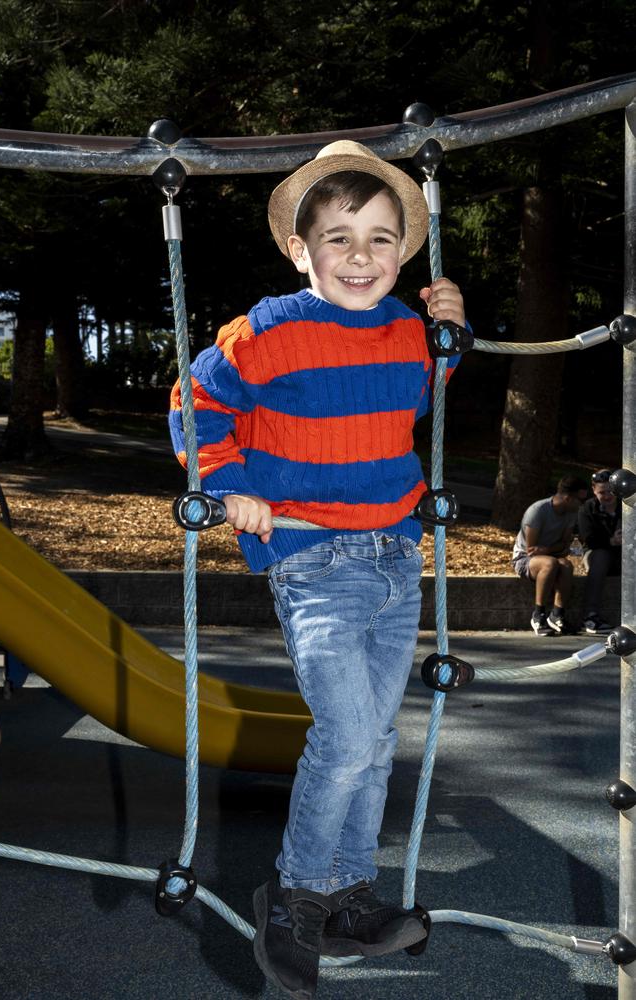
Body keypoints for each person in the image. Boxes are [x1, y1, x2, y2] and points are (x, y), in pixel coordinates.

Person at [169, 140, 465, 999]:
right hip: (313, 555)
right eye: (339, 238)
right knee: (341, 738)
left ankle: (346, 892)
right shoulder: (269, 328)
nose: (361, 256)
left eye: (380, 239)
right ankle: (293, 893)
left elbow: (417, 389)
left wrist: (452, 327)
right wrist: (228, 484)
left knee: (375, 743)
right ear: (301, 250)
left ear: (402, 254)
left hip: (395, 555)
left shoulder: (410, 328)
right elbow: (196, 400)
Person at [511, 476, 588, 637]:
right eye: (580, 500)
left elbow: (565, 545)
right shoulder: (537, 511)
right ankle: (538, 615)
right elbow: (531, 550)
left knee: (566, 566)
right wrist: (554, 549)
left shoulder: (570, 513)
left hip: (550, 555)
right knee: (550, 564)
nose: (582, 504)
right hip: (524, 560)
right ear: (568, 498)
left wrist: (549, 548)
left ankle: (557, 615)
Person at [578, 469, 621, 634]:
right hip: (597, 554)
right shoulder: (587, 509)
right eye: (602, 492)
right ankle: (591, 615)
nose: (608, 496)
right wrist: (611, 541)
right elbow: (588, 539)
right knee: (601, 556)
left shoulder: (628, 506)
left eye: (611, 491)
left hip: (625, 554)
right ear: (594, 489)